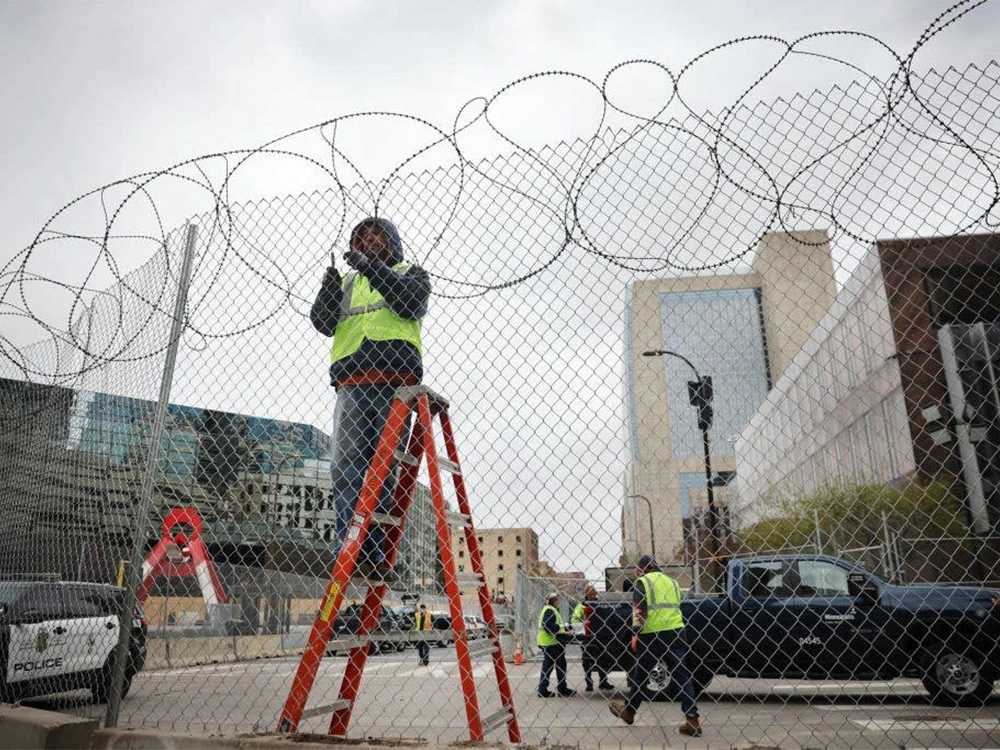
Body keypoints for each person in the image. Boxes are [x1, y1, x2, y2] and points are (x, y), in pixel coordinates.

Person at [310, 217, 431, 579]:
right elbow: (323, 323)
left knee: (382, 470)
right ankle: (352, 546)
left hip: (394, 381)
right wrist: (327, 290)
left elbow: (409, 304)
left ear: (391, 240)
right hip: (351, 381)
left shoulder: (412, 272)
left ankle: (377, 553)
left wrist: (373, 269)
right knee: (346, 468)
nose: (368, 240)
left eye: (376, 234)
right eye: (362, 236)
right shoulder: (349, 282)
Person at [610, 555, 701, 737]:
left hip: (651, 634)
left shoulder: (643, 582)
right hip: (675, 632)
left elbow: (639, 610)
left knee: (641, 675)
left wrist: (635, 633)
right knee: (682, 676)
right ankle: (692, 719)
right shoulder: (672, 582)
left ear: (644, 568)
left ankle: (629, 711)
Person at [571, 584, 614, 692]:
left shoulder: (599, 603)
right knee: (587, 660)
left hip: (600, 635)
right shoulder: (581, 606)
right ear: (587, 594)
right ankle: (589, 683)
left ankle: (603, 681)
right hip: (587, 636)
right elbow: (574, 620)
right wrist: (582, 624)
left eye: (593, 594)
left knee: (602, 658)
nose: (593, 596)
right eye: (591, 594)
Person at [536, 591, 576, 698]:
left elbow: (553, 625)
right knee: (554, 666)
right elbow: (549, 626)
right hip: (551, 643)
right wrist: (564, 630)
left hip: (550, 642)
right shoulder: (550, 610)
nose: (559, 601)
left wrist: (565, 628)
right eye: (557, 599)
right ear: (554, 600)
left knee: (555, 665)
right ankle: (548, 689)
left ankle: (549, 688)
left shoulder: (549, 610)